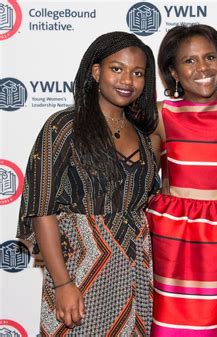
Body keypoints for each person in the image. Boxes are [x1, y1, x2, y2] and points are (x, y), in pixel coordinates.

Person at [17, 32, 159, 336]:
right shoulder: (64, 126)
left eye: (137, 73)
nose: (127, 80)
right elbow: (43, 210)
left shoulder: (145, 139)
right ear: (96, 72)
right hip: (80, 270)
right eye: (116, 68)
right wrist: (62, 283)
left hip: (136, 270)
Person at [146, 24, 217, 336]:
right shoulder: (161, 114)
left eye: (210, 57)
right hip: (173, 237)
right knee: (171, 326)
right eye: (190, 61)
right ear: (173, 72)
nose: (203, 67)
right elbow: (138, 178)